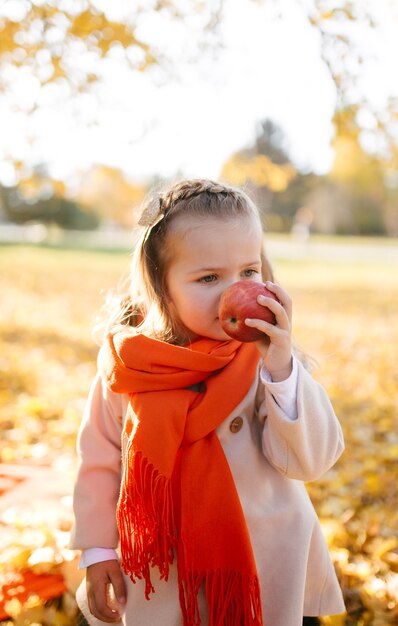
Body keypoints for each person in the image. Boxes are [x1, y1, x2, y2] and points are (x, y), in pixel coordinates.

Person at [70, 179, 345, 626]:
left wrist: (281, 370)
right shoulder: (129, 367)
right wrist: (98, 549)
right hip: (165, 566)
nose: (233, 290)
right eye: (209, 278)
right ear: (162, 286)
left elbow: (309, 462)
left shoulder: (266, 362)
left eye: (248, 272)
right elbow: (100, 461)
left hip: (262, 559)